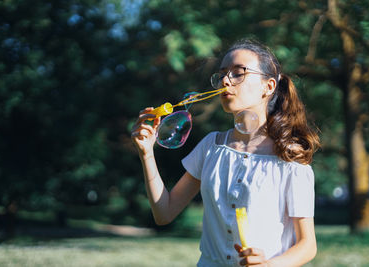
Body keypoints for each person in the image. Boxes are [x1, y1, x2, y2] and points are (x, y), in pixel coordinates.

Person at [131, 38, 320, 267]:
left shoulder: (290, 158)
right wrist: (146, 153)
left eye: (238, 73)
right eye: (222, 74)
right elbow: (165, 213)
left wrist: (269, 265)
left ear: (268, 86)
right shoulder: (212, 146)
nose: (225, 81)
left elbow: (307, 245)